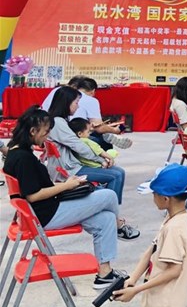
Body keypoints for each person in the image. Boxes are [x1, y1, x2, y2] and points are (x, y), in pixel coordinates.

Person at [2, 106, 130, 289]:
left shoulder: (17, 151)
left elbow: (35, 188)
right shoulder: (23, 158)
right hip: (46, 214)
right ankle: (120, 226)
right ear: (33, 131)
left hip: (46, 209)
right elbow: (33, 195)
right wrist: (66, 185)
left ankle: (105, 274)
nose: (47, 136)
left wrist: (67, 185)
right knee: (109, 195)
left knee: (106, 218)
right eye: (46, 132)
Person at [113, 163, 187, 307]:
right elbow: (151, 250)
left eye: (155, 194)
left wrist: (136, 290)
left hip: (163, 303)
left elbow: (174, 270)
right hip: (165, 302)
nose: (153, 198)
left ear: (166, 199)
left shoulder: (175, 228)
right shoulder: (176, 217)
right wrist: (133, 279)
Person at [47, 85, 140, 238]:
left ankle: (111, 216)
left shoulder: (60, 120)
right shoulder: (58, 123)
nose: (78, 106)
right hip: (69, 169)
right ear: (66, 102)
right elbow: (78, 145)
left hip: (70, 164)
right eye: (76, 103)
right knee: (116, 174)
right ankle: (115, 221)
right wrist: (100, 159)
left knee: (116, 171)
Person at [43, 76, 130, 151]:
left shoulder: (56, 91)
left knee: (92, 131)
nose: (78, 106)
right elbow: (99, 128)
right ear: (93, 91)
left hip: (48, 133)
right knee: (102, 141)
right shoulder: (88, 100)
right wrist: (115, 130)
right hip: (69, 138)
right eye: (76, 103)